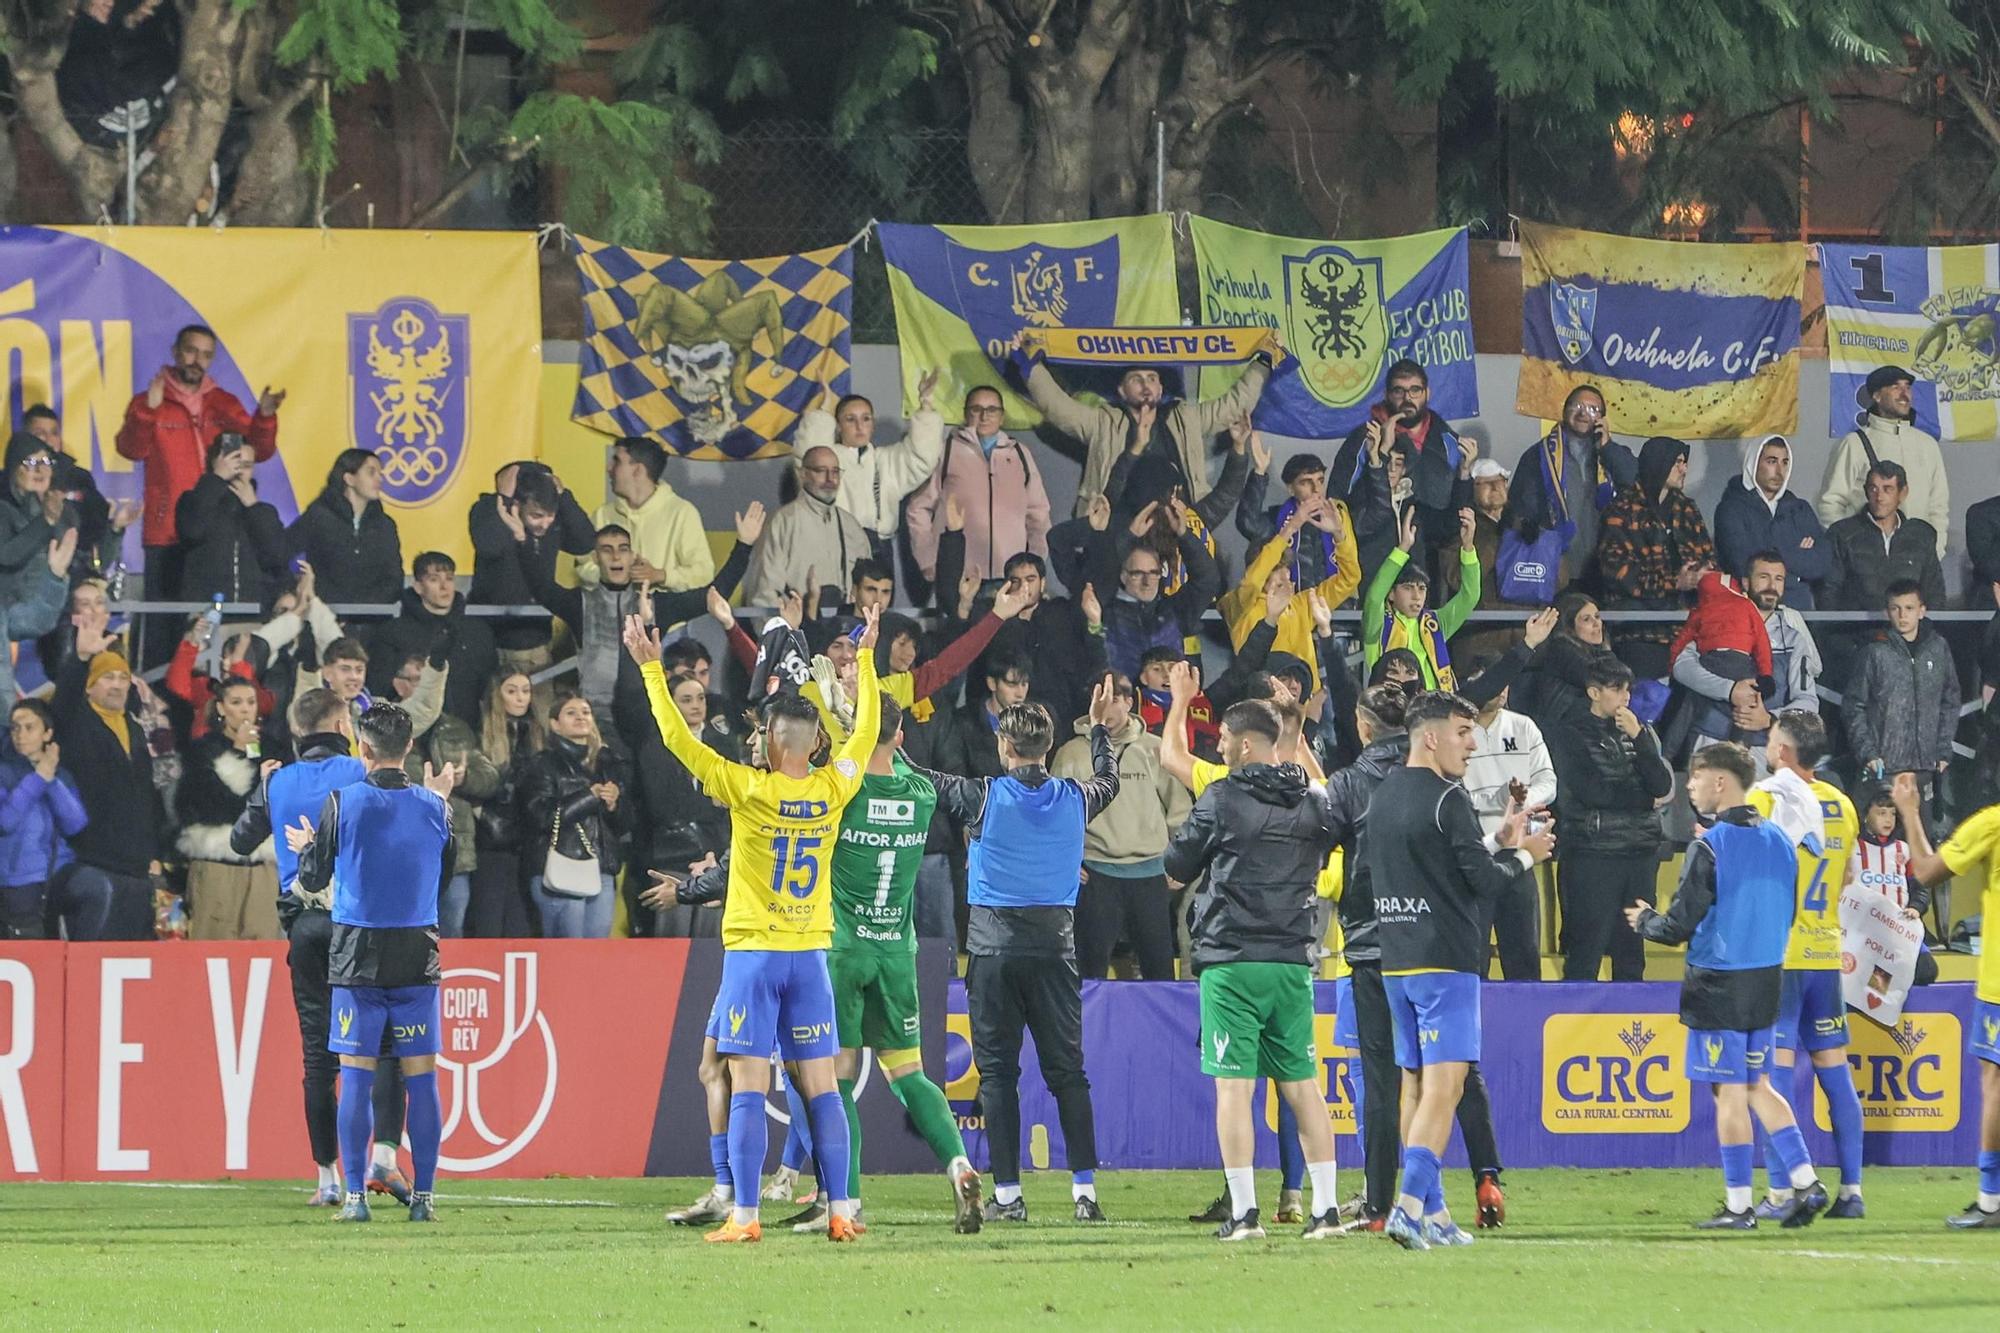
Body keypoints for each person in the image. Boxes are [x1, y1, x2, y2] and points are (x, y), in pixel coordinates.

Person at [627, 608, 884, 1243]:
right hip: (811, 956)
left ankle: (744, 1214)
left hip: (755, 956)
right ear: (813, 743)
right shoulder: (834, 789)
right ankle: (843, 1209)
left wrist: (652, 672)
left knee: (747, 1080)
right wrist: (869, 662)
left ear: (772, 743)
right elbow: (868, 733)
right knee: (823, 1086)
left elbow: (679, 742)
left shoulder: (747, 788)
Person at [906, 682, 1120, 1224]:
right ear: (1046, 749)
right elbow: (1110, 781)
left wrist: (885, 742)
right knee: (1068, 1072)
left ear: (1005, 747)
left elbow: (916, 779)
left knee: (999, 1075)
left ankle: (1008, 1197)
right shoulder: (1076, 797)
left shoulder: (983, 795)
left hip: (994, 951)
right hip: (1055, 950)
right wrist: (1098, 730)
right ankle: (1085, 1194)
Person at [1364, 691, 1555, 1250]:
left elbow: (1444, 859)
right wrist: (1526, 855)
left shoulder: (1386, 794)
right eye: (1463, 732)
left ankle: (1438, 1215)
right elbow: (1481, 882)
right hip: (1445, 960)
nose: (1473, 745)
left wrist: (1499, 838)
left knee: (1415, 1086)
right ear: (1431, 737)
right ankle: (1407, 1209)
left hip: (1396, 959)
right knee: (1445, 1089)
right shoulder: (1450, 797)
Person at [1161, 697, 1345, 1241]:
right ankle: (1326, 1211)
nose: (1216, 744)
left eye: (1221, 736)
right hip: (1291, 961)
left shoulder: (1221, 797)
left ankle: (1245, 1214)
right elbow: (1335, 833)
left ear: (1245, 744)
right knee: (1303, 1086)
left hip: (1232, 961)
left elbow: (1177, 863)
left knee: (1234, 1091)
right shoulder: (1312, 798)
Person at [1627, 741, 1830, 1230]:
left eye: (1696, 778)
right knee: (1757, 1084)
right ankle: (1805, 1179)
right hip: (1767, 977)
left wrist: (1645, 921)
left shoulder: (1711, 845)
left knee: (1729, 1093)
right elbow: (1792, 908)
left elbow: (1678, 926)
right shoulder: (1782, 840)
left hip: (1720, 981)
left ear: (1720, 781)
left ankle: (1739, 1205)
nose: (1690, 787)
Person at [234, 688, 415, 1205]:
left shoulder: (279, 780)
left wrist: (263, 789)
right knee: (384, 1046)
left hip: (305, 927)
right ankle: (383, 1156)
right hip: (357, 923)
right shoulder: (360, 772)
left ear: (296, 729)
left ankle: (327, 1180)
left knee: (319, 1056)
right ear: (341, 722)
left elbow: (239, 842)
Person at [817, 692, 983, 1234]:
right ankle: (958, 1163)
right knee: (908, 1073)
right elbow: (900, 758)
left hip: (844, 952)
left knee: (837, 1077)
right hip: (897, 953)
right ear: (903, 739)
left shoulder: (844, 791)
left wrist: (845, 726)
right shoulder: (920, 792)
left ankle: (847, 1201)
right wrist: (865, 724)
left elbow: (841, 764)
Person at [289, 703, 456, 1223]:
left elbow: (313, 881)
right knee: (422, 1077)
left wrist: (309, 848)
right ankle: (424, 1200)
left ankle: (356, 1200)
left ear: (362, 747)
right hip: (416, 953)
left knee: (356, 1078)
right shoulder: (436, 807)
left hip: (357, 956)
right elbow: (443, 877)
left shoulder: (342, 802)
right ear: (409, 747)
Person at [1746, 710, 1865, 1219]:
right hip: (1824, 954)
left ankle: (1781, 1192)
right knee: (1835, 1073)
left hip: (1780, 955)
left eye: (1772, 738)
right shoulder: (1842, 804)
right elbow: (1847, 879)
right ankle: (1852, 1192)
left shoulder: (1767, 797)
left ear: (1784, 752)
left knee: (1771, 1078)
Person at [516, 509, 758, 743]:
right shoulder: (579, 603)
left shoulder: (656, 604)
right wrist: (524, 539)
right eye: (607, 550)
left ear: (633, 556)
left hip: (646, 721)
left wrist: (744, 545)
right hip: (596, 722)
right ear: (595, 558)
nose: (615, 556)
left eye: (623, 549)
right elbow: (541, 588)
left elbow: (714, 594)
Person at [1888, 773, 2000, 1228]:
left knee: (1994, 1086)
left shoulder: (1992, 823)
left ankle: (1991, 1200)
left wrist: (1911, 812)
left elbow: (1928, 871)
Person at [115, 324, 281, 610]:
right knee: (164, 626)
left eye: (206, 355)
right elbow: (131, 449)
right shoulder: (150, 401)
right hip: (166, 532)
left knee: (205, 626)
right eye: (191, 351)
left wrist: (264, 418)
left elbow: (259, 451)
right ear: (176, 353)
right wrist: (147, 413)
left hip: (215, 530)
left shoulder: (224, 403)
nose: (197, 361)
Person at [1016, 336, 1274, 513]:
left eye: (1152, 378)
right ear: (1121, 390)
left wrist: (1263, 363)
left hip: (1177, 527)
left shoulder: (1185, 418)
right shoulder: (1103, 422)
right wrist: (1032, 367)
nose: (1145, 384)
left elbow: (1234, 405)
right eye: (1136, 379)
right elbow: (1059, 408)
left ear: (1161, 389)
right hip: (1115, 530)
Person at [1051, 672, 1189, 981]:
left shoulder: (1155, 749)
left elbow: (1180, 809)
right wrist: (1066, 860)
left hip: (1151, 874)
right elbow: (1056, 815)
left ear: (1129, 701)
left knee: (1160, 973)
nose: (1107, 707)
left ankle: (1160, 1031)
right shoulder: (1071, 752)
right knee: (1088, 972)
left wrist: (1178, 859)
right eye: (1099, 698)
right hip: (1096, 875)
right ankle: (1084, 1030)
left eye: (1114, 698)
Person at [1545, 657, 1673, 982]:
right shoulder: (1568, 733)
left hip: (1640, 854)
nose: (1626, 697)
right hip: (1593, 854)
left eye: (1628, 689)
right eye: (1616, 689)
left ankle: (1626, 1027)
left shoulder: (1638, 731)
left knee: (1632, 953)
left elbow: (1663, 784)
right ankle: (1574, 1029)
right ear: (1594, 692)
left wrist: (1641, 738)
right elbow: (1594, 792)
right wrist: (1645, 801)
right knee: (1586, 951)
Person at [50, 624, 162, 940]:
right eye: (107, 677)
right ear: (89, 686)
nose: (116, 685)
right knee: (95, 965)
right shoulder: (77, 723)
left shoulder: (135, 729)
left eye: (122, 677)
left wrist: (154, 851)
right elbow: (62, 705)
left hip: (137, 868)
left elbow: (146, 795)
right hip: (95, 863)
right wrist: (82, 658)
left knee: (137, 965)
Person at [1329, 360, 1475, 573]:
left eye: (1415, 390)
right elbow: (1337, 502)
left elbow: (1457, 510)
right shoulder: (1366, 438)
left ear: (1427, 393)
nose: (1408, 398)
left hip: (1431, 559)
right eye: (1399, 391)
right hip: (1372, 554)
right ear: (1387, 395)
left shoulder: (1448, 441)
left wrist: (1465, 473)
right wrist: (1380, 454)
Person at [1672, 551, 1822, 757]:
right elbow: (1682, 667)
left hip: (1770, 749)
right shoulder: (1713, 617)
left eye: (1778, 579)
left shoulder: (1794, 638)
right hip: (1711, 739)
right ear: (1745, 582)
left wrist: (1771, 719)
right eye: (1763, 577)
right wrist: (1730, 689)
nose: (1772, 585)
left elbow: (1808, 701)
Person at [904, 385, 1051, 585]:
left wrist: (1036, 562)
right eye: (976, 409)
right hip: (959, 575)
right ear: (965, 413)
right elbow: (918, 509)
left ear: (1002, 416)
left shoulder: (1019, 454)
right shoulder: (945, 452)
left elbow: (1039, 513)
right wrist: (928, 560)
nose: (984, 416)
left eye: (992, 410)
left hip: (1012, 576)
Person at [467, 463, 596, 692]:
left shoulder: (552, 522)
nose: (544, 523)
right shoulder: (487, 508)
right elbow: (489, 545)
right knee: (490, 716)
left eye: (550, 516)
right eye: (537, 515)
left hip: (534, 638)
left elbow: (584, 542)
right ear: (517, 503)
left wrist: (564, 497)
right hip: (486, 638)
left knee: (540, 716)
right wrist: (503, 502)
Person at [1593, 435, 1714, 677]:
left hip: (1686, 627)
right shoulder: (1622, 510)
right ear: (1660, 463)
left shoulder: (1687, 509)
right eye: (1677, 462)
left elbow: (1707, 555)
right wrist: (1673, 582)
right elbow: (1616, 571)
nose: (1684, 468)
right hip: (1638, 630)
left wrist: (1701, 574)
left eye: (1684, 462)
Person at [792, 378, 944, 567]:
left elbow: (922, 459)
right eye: (850, 419)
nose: (859, 426)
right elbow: (809, 458)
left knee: (879, 598)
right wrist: (823, 414)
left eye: (866, 419)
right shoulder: (830, 460)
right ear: (838, 426)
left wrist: (926, 407)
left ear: (873, 424)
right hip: (835, 544)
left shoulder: (885, 460)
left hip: (878, 547)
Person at [1462, 683, 1557, 981]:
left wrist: (1520, 802)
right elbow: (1452, 793)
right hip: (1475, 854)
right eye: (1494, 683)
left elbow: (1548, 781)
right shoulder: (1459, 732)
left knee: (1524, 953)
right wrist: (1498, 800)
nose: (1502, 691)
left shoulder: (1523, 725)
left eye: (1506, 686)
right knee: (1472, 955)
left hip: (1520, 852)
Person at [175, 678, 280, 941]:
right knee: (213, 945)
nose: (245, 710)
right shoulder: (201, 751)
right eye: (236, 702)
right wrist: (238, 753)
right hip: (217, 868)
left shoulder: (274, 749)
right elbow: (216, 806)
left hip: (262, 869)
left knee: (262, 951)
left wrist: (253, 755)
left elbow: (273, 804)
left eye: (250, 702)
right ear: (221, 708)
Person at [1507, 383, 1639, 590]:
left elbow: (1636, 485)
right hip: (1554, 567)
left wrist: (1608, 448)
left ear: (1603, 419)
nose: (1583, 413)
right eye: (1577, 406)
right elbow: (1521, 509)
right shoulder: (1539, 456)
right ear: (1564, 410)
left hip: (1607, 566)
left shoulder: (1613, 455)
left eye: (1593, 409)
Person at [519, 691, 629, 939]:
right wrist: (588, 797)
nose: (581, 717)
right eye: (571, 713)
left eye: (586, 712)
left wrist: (614, 805)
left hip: (601, 868)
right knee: (566, 954)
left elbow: (623, 826)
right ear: (555, 724)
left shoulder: (607, 764)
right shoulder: (542, 764)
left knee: (595, 956)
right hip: (560, 867)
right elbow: (540, 815)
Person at [1220, 501, 1359, 693]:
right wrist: (1292, 526)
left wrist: (1339, 536)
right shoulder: (1240, 604)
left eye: (1288, 574)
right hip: (1262, 702)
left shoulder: (1302, 604)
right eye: (1277, 574)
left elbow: (1349, 579)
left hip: (1306, 707)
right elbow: (1251, 582)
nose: (1286, 581)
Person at [0, 699, 107, 940]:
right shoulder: (3, 771)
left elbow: (76, 823)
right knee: (33, 949)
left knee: (96, 887)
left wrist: (51, 779)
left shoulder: (60, 774)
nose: (20, 735)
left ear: (47, 733)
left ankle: (83, 960)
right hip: (17, 879)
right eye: (15, 727)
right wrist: (38, 778)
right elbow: (5, 822)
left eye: (29, 727)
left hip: (56, 873)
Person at [1818, 365, 1949, 559]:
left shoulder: (1928, 445)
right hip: (1867, 562)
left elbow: (1938, 507)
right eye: (1895, 387)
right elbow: (1830, 503)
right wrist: (1851, 550)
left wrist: (1935, 552)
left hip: (1918, 560)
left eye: (1907, 387)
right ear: (1877, 396)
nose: (1904, 394)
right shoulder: (1853, 444)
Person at [1844, 580, 1960, 798]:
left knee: (1922, 830)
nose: (1902, 615)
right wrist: (1868, 753)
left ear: (1922, 611)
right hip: (1884, 767)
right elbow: (1853, 705)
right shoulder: (1874, 652)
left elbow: (1950, 700)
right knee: (1883, 830)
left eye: (1909, 608)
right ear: (1887, 612)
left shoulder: (1938, 648)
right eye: (1895, 608)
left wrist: (1943, 750)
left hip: (1927, 766)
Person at [1086, 497, 1221, 681]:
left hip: (1169, 705)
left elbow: (1207, 580)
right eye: (1137, 573)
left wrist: (1184, 534)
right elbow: (1095, 582)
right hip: (1123, 703)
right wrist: (1130, 535)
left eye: (1153, 572)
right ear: (1123, 576)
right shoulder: (1104, 609)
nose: (1147, 581)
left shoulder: (1175, 610)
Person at [365, 551, 497, 726]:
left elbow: (490, 688)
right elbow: (380, 690)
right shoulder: (392, 633)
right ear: (418, 587)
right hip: (413, 732)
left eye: (449, 578)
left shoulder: (478, 631)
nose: (444, 586)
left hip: (465, 733)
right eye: (434, 579)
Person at [979, 552, 1105, 732]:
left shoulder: (1061, 613)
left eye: (1030, 579)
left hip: (1065, 715)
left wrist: (1094, 622)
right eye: (1016, 581)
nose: (1024, 587)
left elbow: (1096, 658)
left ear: (1043, 583)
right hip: (1014, 719)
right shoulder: (996, 621)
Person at [1362, 506, 1480, 690]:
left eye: (1422, 588)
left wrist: (1468, 546)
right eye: (1408, 588)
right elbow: (1375, 597)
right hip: (1393, 709)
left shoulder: (1435, 623)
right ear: (1391, 594)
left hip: (1435, 710)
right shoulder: (1378, 625)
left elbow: (1470, 596)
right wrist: (1403, 549)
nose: (1417, 596)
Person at [578, 436, 714, 591]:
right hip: (610, 613)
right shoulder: (602, 515)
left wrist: (660, 576)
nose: (609, 468)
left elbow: (703, 573)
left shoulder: (682, 513)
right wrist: (612, 575)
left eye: (617, 461)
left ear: (638, 470)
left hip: (665, 612)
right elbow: (582, 565)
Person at [745, 447, 873, 609]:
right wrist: (778, 632)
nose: (829, 478)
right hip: (798, 627)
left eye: (835, 471)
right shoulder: (783, 521)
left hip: (845, 630)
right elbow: (765, 591)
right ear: (803, 474)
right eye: (821, 471)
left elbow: (868, 586)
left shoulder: (851, 526)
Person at [467, 671, 544, 939]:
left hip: (527, 847)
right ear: (497, 696)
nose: (521, 697)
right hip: (490, 845)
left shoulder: (537, 735)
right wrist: (484, 816)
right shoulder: (480, 736)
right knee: (489, 924)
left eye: (526, 690)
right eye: (512, 691)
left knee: (520, 928)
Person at [1712, 435, 1828, 610]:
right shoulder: (1730, 509)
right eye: (1772, 461)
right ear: (1754, 463)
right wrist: (1796, 566)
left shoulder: (1799, 509)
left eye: (1785, 462)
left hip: (1799, 610)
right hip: (1747, 610)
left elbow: (1821, 563)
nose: (1780, 471)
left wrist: (1772, 555)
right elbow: (1742, 565)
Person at [23, 403, 137, 578]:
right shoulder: (8, 482)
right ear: (24, 438)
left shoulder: (79, 479)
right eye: (40, 433)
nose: (48, 439)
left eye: (54, 433)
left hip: (75, 578)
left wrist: (115, 529)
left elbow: (97, 542)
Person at [174, 433, 287, 606]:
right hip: (204, 614)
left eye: (247, 465)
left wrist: (254, 508)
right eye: (233, 462)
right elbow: (191, 531)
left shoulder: (264, 511)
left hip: (253, 614)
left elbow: (277, 558)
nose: (239, 470)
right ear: (215, 462)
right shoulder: (193, 500)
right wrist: (216, 479)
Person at [1821, 460, 1946, 612]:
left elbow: (1934, 593)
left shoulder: (1921, 535)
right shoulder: (1842, 534)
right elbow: (1829, 593)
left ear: (1903, 493)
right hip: (1857, 632)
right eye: (1873, 489)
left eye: (1888, 489)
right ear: (1866, 491)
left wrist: (1926, 632)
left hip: (1911, 633)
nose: (1879, 497)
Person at [287, 449, 403, 606]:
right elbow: (281, 552)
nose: (379, 479)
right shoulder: (318, 517)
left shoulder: (385, 525)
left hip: (374, 621)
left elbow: (393, 578)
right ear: (349, 478)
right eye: (371, 473)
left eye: (380, 473)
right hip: (325, 617)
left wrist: (365, 607)